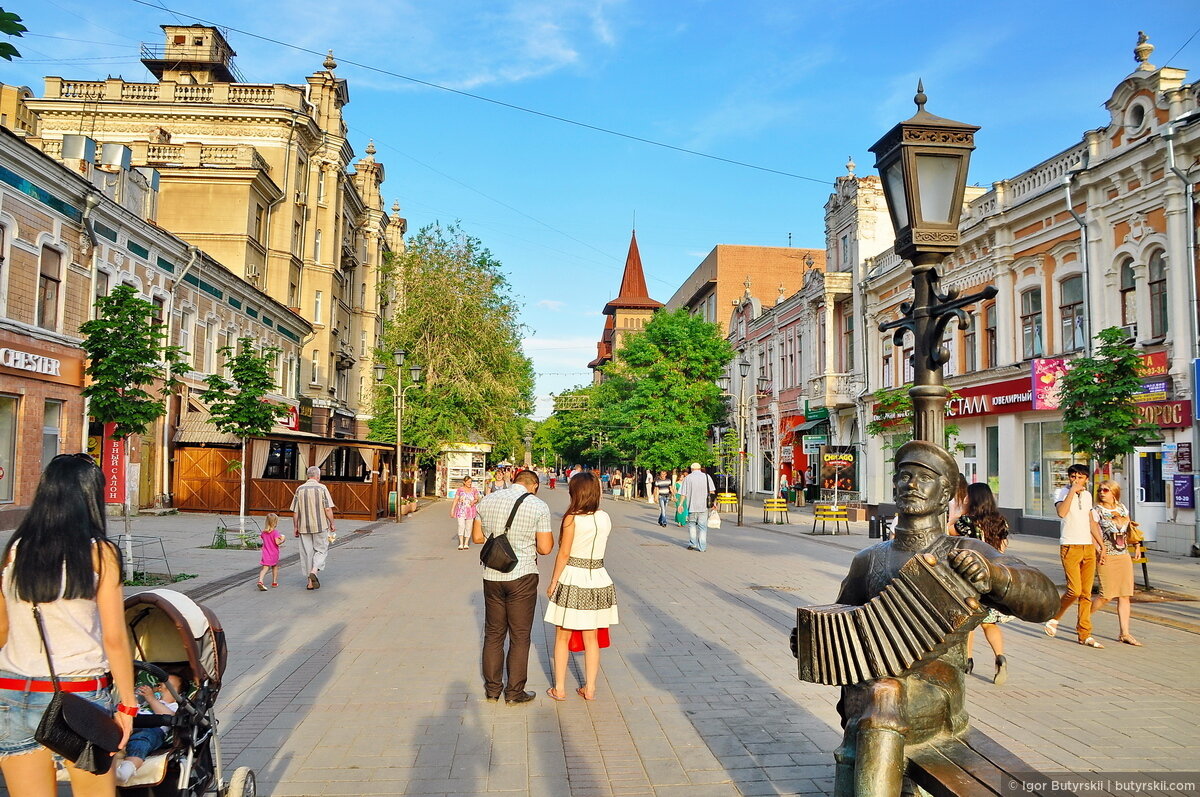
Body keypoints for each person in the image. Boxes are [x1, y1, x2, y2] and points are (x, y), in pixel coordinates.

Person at [800, 441, 1058, 797]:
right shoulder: (868, 559)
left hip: (935, 695)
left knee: (884, 692)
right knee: (879, 691)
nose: (911, 484)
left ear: (945, 494)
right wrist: (810, 641)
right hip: (868, 692)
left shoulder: (963, 552)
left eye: (925, 478)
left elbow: (1045, 601)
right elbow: (844, 622)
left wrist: (997, 578)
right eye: (904, 475)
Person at [0, 453, 135, 796]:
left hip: (13, 691)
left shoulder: (16, 550)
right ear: (91, 497)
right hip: (80, 694)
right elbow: (116, 639)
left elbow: (2, 629)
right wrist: (128, 705)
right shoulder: (100, 553)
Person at [472, 470, 553, 704]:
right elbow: (545, 548)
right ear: (534, 485)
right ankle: (515, 692)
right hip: (523, 575)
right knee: (519, 635)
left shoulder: (487, 500)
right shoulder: (538, 505)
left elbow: (478, 538)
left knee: (494, 633)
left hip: (492, 575)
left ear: (514, 481)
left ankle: (492, 690)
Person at [544, 472, 619, 701]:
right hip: (599, 577)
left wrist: (554, 580)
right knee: (591, 637)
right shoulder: (604, 517)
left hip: (573, 578)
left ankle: (560, 688)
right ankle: (591, 688)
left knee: (562, 636)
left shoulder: (572, 518)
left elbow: (564, 553)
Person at [950, 483, 1013, 684]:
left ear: (974, 499)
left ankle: (967, 661)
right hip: (994, 575)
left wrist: (958, 513)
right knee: (989, 622)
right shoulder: (1001, 521)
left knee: (969, 622)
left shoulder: (966, 522)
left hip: (971, 577)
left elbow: (948, 531)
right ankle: (1000, 657)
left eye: (968, 497)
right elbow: (1003, 548)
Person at [1044, 464, 1101, 647]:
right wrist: (1071, 492)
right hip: (1070, 545)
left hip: (1087, 546)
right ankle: (1055, 617)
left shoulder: (1087, 495)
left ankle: (1085, 634)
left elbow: (1091, 522)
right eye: (1073, 477)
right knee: (1074, 590)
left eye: (1081, 477)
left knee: (1086, 594)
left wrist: (1101, 545)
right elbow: (1062, 512)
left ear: (1087, 479)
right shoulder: (1061, 492)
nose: (1076, 480)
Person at [1089, 480, 1142, 646]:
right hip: (1107, 555)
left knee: (1125, 594)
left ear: (1114, 492)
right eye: (1100, 490)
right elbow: (1092, 531)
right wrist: (1098, 550)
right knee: (1106, 595)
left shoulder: (1122, 508)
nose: (1102, 492)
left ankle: (1125, 633)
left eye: (1106, 490)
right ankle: (1083, 618)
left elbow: (1129, 529)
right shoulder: (1095, 511)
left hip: (1123, 555)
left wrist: (1137, 545)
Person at [114, 673, 182, 785]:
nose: (161, 689)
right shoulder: (144, 702)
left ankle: (126, 770)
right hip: (129, 726)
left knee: (141, 740)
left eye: (168, 687)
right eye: (160, 685)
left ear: (178, 695)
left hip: (151, 730)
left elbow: (170, 717)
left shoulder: (173, 705)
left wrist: (152, 700)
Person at [290, 466, 337, 591]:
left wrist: (295, 526)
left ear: (307, 476)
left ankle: (310, 583)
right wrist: (332, 523)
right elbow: (327, 508)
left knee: (307, 553)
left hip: (303, 527)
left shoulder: (299, 489)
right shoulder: (322, 488)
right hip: (320, 525)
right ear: (317, 476)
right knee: (321, 550)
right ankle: (314, 571)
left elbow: (295, 511)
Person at [680, 463, 716, 551]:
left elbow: (683, 493)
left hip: (692, 506)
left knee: (692, 524)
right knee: (702, 526)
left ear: (691, 469)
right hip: (704, 506)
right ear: (700, 468)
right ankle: (702, 547)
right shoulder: (707, 477)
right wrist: (714, 503)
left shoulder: (687, 478)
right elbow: (712, 492)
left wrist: (680, 504)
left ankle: (692, 544)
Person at [450, 476, 482, 550]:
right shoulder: (460, 490)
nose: (469, 484)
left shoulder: (474, 490)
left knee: (468, 527)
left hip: (470, 511)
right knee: (461, 525)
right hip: (461, 510)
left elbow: (477, 499)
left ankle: (466, 543)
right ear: (464, 482)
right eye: (468, 482)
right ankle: (461, 543)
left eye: (470, 482)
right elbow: (456, 499)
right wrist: (452, 510)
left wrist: (473, 501)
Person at [256, 512, 285, 590]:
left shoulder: (264, 532)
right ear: (275, 522)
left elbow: (262, 537)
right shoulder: (275, 532)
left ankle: (260, 581)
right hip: (273, 553)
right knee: (275, 566)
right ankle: (274, 582)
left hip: (265, 553)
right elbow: (277, 542)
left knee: (264, 568)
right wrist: (282, 539)